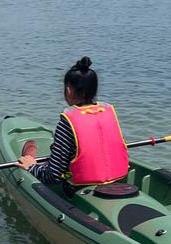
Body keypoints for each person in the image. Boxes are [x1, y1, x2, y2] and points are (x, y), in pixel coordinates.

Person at [17, 57, 129, 192]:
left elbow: (53, 177)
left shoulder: (67, 122)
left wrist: (31, 166)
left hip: (81, 190)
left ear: (69, 90)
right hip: (120, 182)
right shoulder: (108, 111)